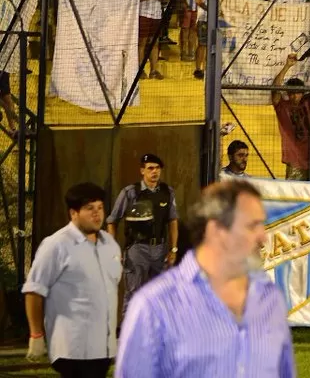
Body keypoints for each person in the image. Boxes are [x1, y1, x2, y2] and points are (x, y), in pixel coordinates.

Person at [114, 181, 295, 378]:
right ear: (216, 230)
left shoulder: (270, 299)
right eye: (252, 226)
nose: (263, 237)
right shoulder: (154, 305)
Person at [23, 182, 121, 378]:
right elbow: (34, 290)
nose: (97, 214)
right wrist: (36, 334)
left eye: (100, 208)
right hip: (73, 347)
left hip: (103, 347)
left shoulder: (110, 244)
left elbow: (111, 288)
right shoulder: (57, 245)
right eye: (89, 208)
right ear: (73, 213)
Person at [105, 154, 179, 314]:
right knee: (134, 293)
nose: (155, 172)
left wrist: (173, 250)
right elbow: (112, 221)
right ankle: (130, 334)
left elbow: (173, 221)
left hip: (159, 249)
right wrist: (114, 250)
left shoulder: (167, 192)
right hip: (137, 249)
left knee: (160, 294)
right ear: (142, 171)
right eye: (150, 168)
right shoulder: (130, 193)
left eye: (158, 168)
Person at [271, 53, 310, 180]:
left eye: (298, 93)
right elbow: (275, 88)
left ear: (303, 93)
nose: (294, 97)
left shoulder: (309, 103)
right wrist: (287, 66)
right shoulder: (283, 106)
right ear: (288, 93)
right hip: (294, 161)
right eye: (291, 93)